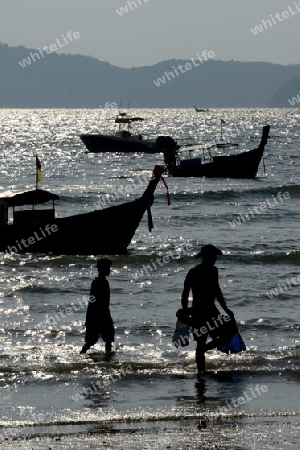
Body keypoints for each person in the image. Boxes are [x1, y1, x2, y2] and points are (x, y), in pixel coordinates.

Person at [180, 244, 235, 373]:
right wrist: (226, 310)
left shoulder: (199, 271)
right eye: (214, 256)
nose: (216, 258)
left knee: (221, 336)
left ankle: (202, 361)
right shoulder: (206, 271)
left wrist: (226, 309)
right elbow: (217, 292)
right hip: (206, 311)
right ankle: (201, 370)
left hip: (203, 311)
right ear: (208, 257)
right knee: (225, 334)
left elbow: (186, 293)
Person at [80, 258, 115, 354]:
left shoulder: (104, 282)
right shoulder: (96, 283)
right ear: (102, 269)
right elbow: (93, 301)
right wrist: (91, 318)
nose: (109, 270)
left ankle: (108, 359)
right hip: (96, 315)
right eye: (108, 268)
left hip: (104, 314)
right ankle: (82, 354)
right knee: (91, 341)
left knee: (108, 340)